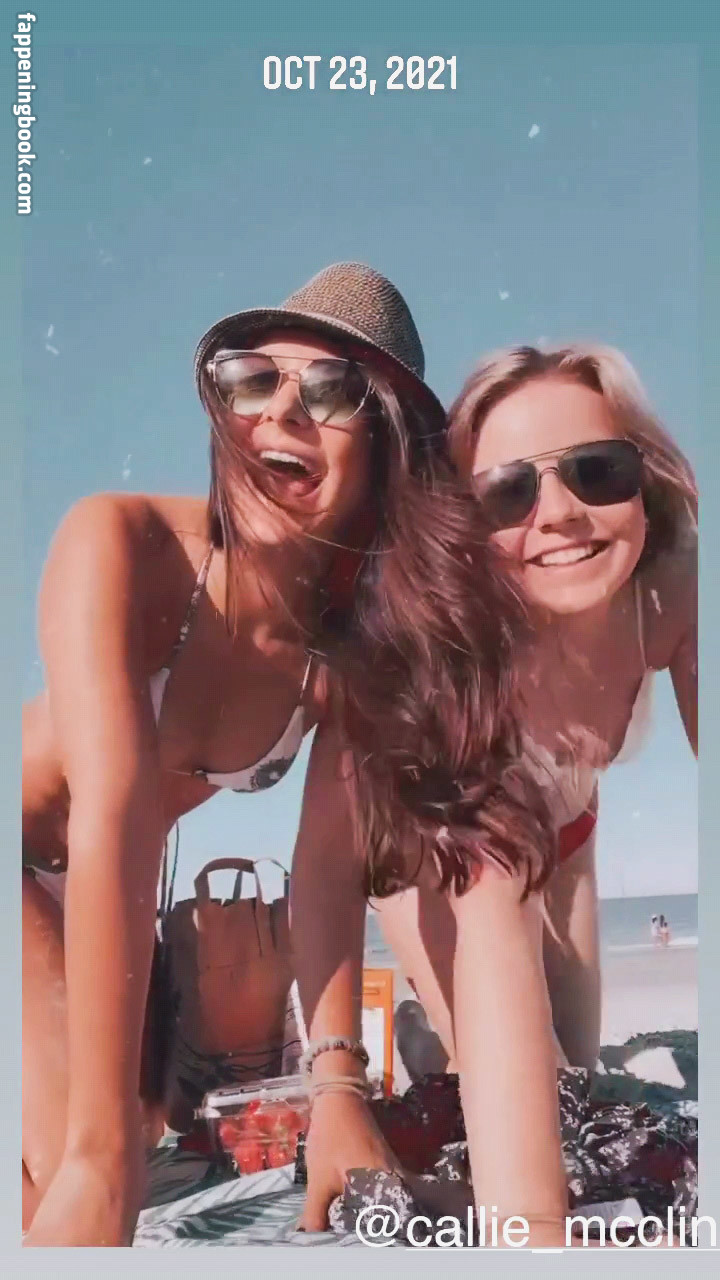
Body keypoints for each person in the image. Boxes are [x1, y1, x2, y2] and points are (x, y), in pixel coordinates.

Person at [22, 264, 552, 1245]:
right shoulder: (123, 546)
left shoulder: (349, 646)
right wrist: (102, 1154)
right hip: (38, 862)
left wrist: (337, 1089)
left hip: (102, 888)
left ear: (389, 443)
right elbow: (115, 814)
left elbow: (328, 865)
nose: (280, 411)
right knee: (87, 1168)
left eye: (331, 390)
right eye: (252, 378)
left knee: (89, 1167)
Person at [374, 343, 697, 1083]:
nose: (560, 515)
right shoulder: (454, 644)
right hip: (434, 861)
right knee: (528, 1082)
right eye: (507, 494)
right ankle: (436, 1039)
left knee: (579, 1069)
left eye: (598, 471)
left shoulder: (671, 594)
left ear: (644, 479)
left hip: (570, 835)